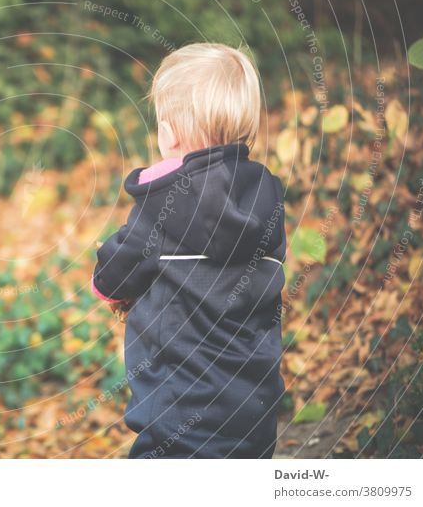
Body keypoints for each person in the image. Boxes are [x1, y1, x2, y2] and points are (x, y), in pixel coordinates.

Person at [92, 43, 286, 458]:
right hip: (254, 409)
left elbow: (116, 274)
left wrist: (107, 284)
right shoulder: (266, 194)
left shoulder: (163, 199)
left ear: (169, 131)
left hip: (176, 412)